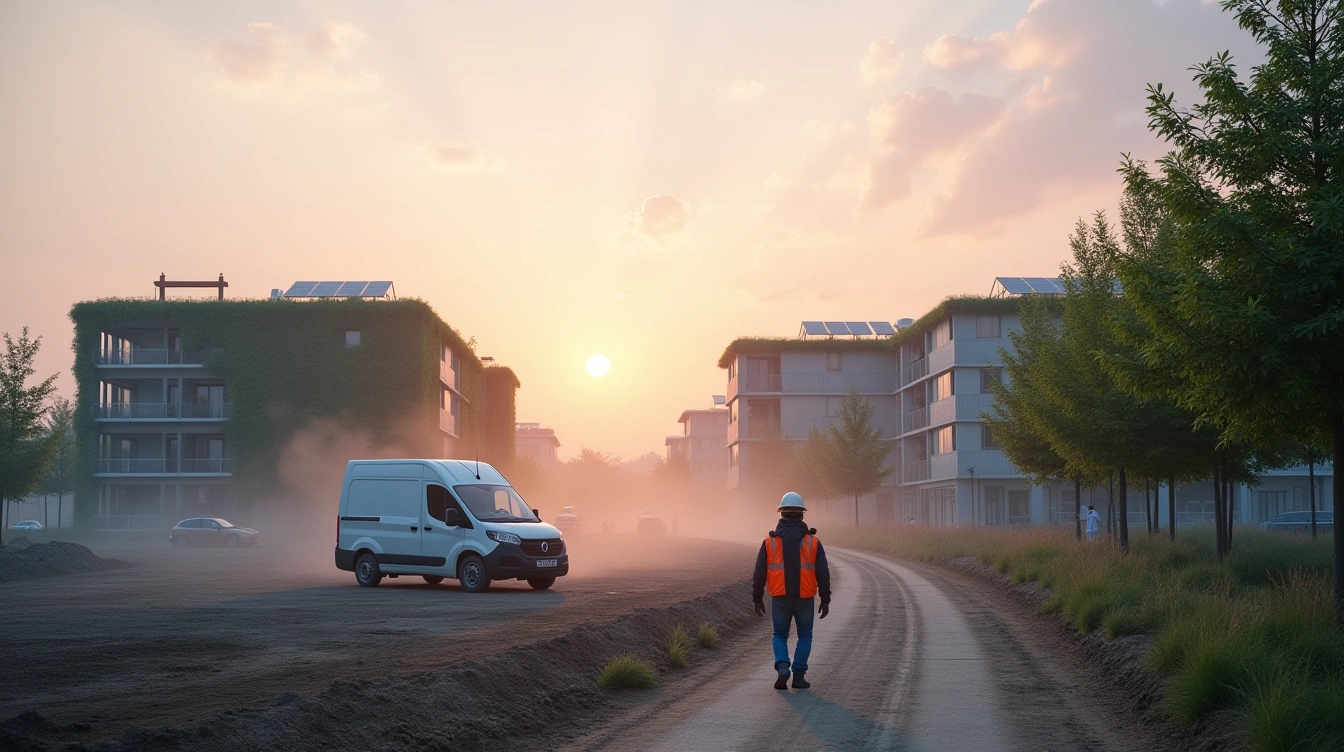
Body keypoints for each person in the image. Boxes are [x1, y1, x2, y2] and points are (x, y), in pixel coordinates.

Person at [752, 492, 831, 690]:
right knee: (805, 635)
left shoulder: (769, 542)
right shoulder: (814, 542)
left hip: (780, 597)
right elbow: (823, 572)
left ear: (781, 514)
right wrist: (825, 599)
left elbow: (759, 573)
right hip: (805, 598)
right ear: (802, 515)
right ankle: (798, 676)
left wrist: (757, 598)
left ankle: (782, 667)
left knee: (779, 634)